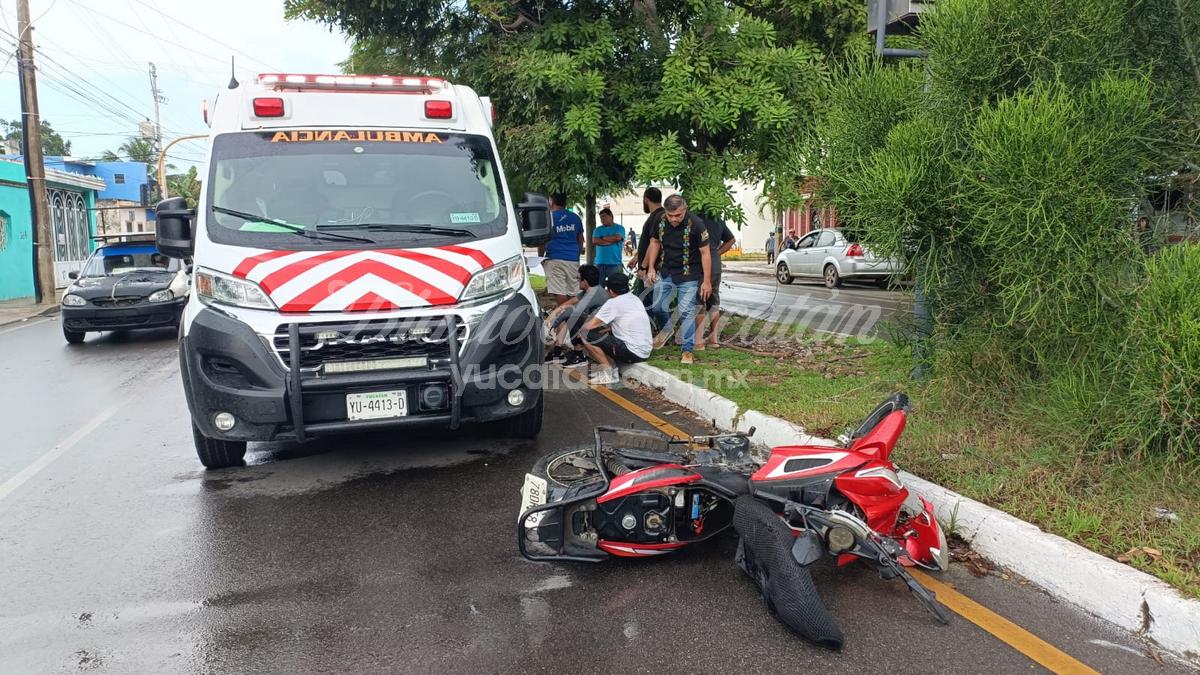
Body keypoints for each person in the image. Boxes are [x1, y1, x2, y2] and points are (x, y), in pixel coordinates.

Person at [644, 194, 712, 364]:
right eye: (670, 215)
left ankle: (687, 350)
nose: (673, 219)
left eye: (678, 215)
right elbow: (654, 243)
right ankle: (667, 330)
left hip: (689, 274)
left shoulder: (696, 224)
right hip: (666, 271)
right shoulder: (659, 220)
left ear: (685, 210)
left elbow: (705, 253)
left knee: (686, 311)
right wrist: (651, 267)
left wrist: (707, 281)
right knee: (658, 307)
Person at [579, 273, 653, 386]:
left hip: (632, 352)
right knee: (600, 334)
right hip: (644, 350)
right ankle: (611, 369)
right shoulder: (634, 298)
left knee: (585, 334)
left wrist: (577, 329)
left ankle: (609, 374)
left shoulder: (613, 303)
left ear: (611, 291)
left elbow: (589, 327)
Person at [544, 264, 607, 368]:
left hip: (602, 329)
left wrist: (552, 325)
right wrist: (553, 314)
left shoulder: (593, 294)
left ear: (585, 282)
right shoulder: (591, 289)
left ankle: (579, 355)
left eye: (578, 279)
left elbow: (571, 312)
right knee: (565, 313)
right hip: (595, 324)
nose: (577, 281)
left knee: (570, 316)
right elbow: (569, 303)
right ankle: (557, 352)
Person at [695, 213, 736, 351]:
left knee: (699, 301)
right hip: (715, 264)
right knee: (714, 300)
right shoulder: (717, 219)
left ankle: (699, 341)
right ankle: (714, 339)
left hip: (700, 263)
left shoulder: (694, 219)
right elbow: (731, 240)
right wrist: (717, 253)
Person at [540, 192, 584, 307]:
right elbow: (580, 239)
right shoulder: (575, 218)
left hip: (555, 258)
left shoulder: (548, 218)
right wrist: (576, 255)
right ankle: (575, 315)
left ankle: (565, 316)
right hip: (573, 259)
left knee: (559, 291)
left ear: (551, 201)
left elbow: (542, 240)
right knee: (574, 291)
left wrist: (541, 257)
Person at [629, 187, 665, 306]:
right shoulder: (657, 215)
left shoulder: (657, 217)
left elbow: (654, 244)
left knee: (646, 303)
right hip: (649, 268)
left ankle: (650, 325)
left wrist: (644, 267)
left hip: (652, 270)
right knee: (646, 302)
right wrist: (636, 258)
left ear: (646, 199)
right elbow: (646, 244)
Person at [591, 208, 626, 284]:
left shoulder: (619, 228)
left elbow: (617, 237)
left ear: (611, 216)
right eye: (601, 217)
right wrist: (610, 241)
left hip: (615, 263)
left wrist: (602, 237)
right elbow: (595, 241)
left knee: (616, 287)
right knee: (598, 288)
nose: (602, 219)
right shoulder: (597, 230)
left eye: (604, 216)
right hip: (599, 263)